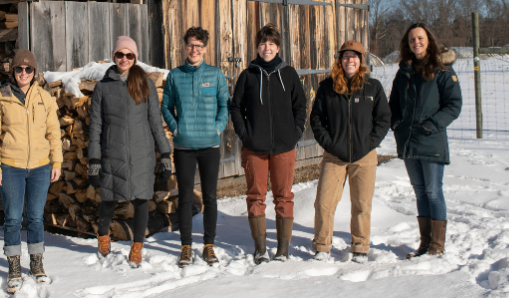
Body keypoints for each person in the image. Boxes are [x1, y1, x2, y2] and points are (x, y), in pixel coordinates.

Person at [88, 36, 172, 268]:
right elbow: (95, 126)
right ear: (114, 57)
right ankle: (103, 235)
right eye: (119, 55)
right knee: (108, 199)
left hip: (141, 155)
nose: (124, 59)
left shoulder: (145, 84)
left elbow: (156, 123)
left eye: (129, 55)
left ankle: (137, 246)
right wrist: (94, 159)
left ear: (135, 58)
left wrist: (164, 155)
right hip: (112, 153)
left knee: (141, 200)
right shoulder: (102, 87)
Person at [229, 24, 307, 264]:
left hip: (284, 147)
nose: (267, 48)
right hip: (255, 148)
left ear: (278, 47)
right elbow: (235, 107)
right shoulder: (248, 75)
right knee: (256, 196)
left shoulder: (289, 74)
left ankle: (283, 250)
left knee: (284, 196)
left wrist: (295, 132)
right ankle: (260, 248)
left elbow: (300, 106)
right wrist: (244, 133)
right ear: (257, 47)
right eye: (263, 43)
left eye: (272, 44)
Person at [0, 49, 62, 290]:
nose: (24, 73)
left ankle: (37, 263)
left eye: (29, 69)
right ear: (13, 71)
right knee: (12, 218)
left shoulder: (44, 97)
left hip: (40, 166)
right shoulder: (1, 97)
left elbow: (54, 132)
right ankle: (14, 266)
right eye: (19, 69)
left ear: (34, 72)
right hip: (11, 166)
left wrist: (57, 161)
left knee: (36, 218)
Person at [309, 40, 391, 263]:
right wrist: (330, 143)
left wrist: (369, 143)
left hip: (364, 156)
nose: (350, 60)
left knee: (362, 204)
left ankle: (360, 246)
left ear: (361, 60)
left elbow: (383, 119)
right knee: (324, 203)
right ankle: (322, 246)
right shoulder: (328, 87)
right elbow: (316, 119)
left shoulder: (373, 87)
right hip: (334, 156)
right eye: (345, 56)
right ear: (340, 60)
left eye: (354, 56)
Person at [389, 24, 462, 259]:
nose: (416, 42)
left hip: (431, 140)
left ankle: (437, 246)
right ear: (407, 43)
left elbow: (453, 105)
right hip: (409, 141)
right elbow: (394, 104)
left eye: (420, 38)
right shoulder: (404, 71)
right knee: (420, 192)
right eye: (412, 39)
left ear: (429, 40)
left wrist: (431, 125)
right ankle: (425, 243)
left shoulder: (442, 70)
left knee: (433, 191)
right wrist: (397, 124)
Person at [161, 26, 230, 267]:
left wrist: (218, 128)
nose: (194, 49)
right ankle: (186, 246)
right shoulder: (175, 75)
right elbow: (166, 106)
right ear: (185, 47)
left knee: (210, 197)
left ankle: (209, 245)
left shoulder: (215, 74)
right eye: (190, 45)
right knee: (185, 197)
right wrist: (176, 128)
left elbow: (225, 105)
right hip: (184, 147)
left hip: (209, 145)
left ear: (205, 49)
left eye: (199, 46)